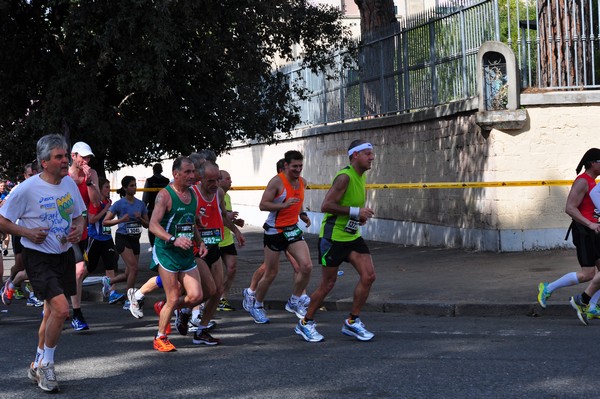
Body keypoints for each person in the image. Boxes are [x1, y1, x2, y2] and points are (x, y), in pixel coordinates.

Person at [0, 134, 86, 392]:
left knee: (50, 313)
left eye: (65, 155)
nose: (64, 161)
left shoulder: (68, 184)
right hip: (38, 258)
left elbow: (79, 215)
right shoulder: (25, 189)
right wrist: (26, 232)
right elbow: (2, 219)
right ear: (44, 162)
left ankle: (37, 362)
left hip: (63, 255)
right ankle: (47, 365)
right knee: (61, 310)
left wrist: (78, 229)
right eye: (59, 157)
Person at [295, 139, 376, 343]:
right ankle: (305, 323)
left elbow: (349, 208)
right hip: (333, 238)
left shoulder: (360, 176)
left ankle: (352, 322)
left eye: (372, 153)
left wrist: (358, 217)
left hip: (352, 235)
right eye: (367, 153)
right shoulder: (344, 177)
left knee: (369, 276)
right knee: (328, 283)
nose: (372, 157)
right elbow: (326, 206)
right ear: (355, 155)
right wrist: (356, 212)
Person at [245, 150, 313, 324]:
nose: (298, 170)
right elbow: (262, 205)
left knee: (306, 266)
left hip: (291, 229)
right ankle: (257, 305)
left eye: (300, 166)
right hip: (275, 231)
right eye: (294, 166)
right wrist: (283, 205)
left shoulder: (302, 182)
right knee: (271, 272)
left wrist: (302, 213)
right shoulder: (277, 182)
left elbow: (298, 200)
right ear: (286, 165)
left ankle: (295, 300)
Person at [149, 156, 207, 352]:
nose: (192, 175)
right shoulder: (164, 196)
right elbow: (153, 225)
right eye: (188, 172)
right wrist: (173, 239)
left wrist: (200, 242)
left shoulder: (193, 194)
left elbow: (191, 222)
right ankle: (160, 337)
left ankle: (165, 307)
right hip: (167, 251)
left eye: (193, 171)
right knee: (174, 296)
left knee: (197, 296)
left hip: (186, 251)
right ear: (176, 174)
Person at [186, 162, 244, 345]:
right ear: (200, 179)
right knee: (209, 289)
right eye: (211, 180)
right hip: (197, 249)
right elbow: (188, 221)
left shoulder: (219, 193)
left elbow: (222, 216)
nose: (215, 184)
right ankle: (183, 310)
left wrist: (236, 231)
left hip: (214, 245)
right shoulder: (192, 194)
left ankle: (201, 330)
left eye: (218, 179)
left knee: (218, 291)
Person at [538, 148, 600, 313]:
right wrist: (590, 224)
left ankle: (591, 307)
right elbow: (570, 208)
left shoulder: (594, 182)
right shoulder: (583, 181)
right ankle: (547, 288)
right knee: (588, 274)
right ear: (593, 163)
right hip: (584, 231)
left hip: (594, 231)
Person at [68, 141, 101, 331]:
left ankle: (64, 307)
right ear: (74, 156)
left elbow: (95, 202)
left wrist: (89, 181)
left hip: (82, 229)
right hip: (64, 229)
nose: (85, 160)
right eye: (83, 156)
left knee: (75, 272)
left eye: (88, 157)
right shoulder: (65, 175)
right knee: (79, 270)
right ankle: (76, 313)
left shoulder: (92, 174)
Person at [1, 162, 44, 307]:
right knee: (19, 265)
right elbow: (3, 208)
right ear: (25, 176)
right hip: (19, 230)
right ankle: (12, 284)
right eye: (30, 175)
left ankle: (32, 293)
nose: (33, 177)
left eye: (36, 174)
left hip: (37, 232)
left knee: (31, 264)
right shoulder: (18, 189)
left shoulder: (43, 187)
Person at [103, 176, 149, 309]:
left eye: (135, 185)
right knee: (134, 268)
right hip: (122, 238)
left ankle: (109, 281)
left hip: (135, 239)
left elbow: (148, 225)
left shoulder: (140, 204)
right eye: (131, 185)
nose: (134, 188)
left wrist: (140, 219)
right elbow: (105, 221)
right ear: (125, 188)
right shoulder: (119, 204)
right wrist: (121, 220)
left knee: (130, 273)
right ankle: (130, 300)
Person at [88, 177, 126, 304]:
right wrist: (105, 210)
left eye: (109, 187)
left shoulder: (109, 201)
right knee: (90, 267)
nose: (109, 190)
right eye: (107, 187)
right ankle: (75, 285)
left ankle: (112, 293)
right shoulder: (96, 203)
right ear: (100, 189)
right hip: (95, 238)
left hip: (107, 238)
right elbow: (91, 220)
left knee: (111, 265)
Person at [217, 169, 245, 311]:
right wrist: (235, 228)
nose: (230, 181)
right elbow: (219, 217)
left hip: (226, 239)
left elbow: (225, 218)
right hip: (214, 239)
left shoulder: (227, 197)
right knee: (215, 273)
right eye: (227, 179)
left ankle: (223, 297)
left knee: (232, 268)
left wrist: (236, 222)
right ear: (219, 180)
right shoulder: (213, 195)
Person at [142, 163, 169, 249]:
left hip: (152, 209)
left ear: (153, 170)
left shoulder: (149, 181)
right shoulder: (166, 181)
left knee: (152, 229)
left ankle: (154, 247)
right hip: (165, 210)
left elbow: (145, 197)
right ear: (161, 170)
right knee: (164, 228)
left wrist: (143, 210)